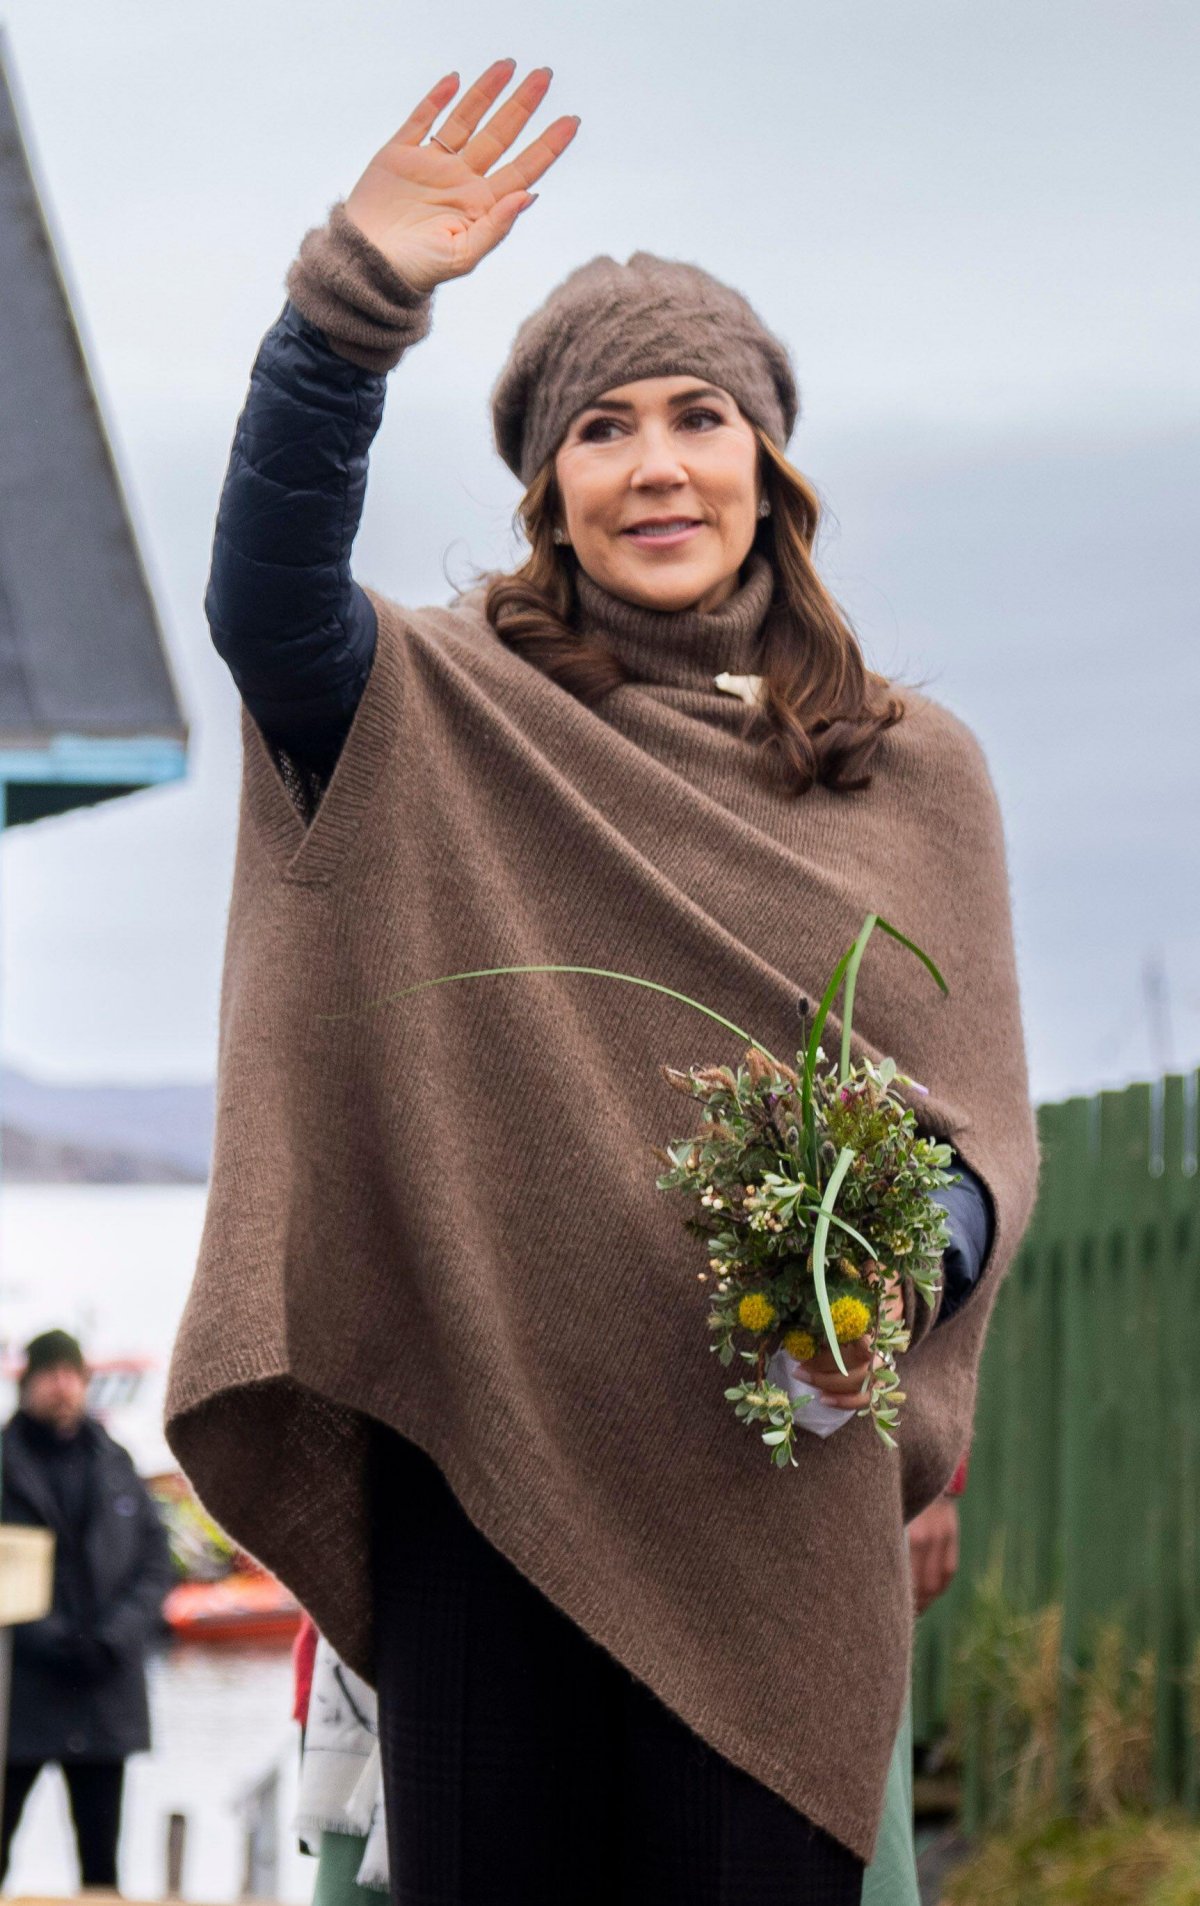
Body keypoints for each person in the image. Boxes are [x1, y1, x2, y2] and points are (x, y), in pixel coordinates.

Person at [166, 57, 1038, 1905]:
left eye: (701, 415)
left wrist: (882, 1270)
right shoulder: (444, 713)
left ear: (766, 458)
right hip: (492, 1493)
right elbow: (264, 607)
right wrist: (345, 312)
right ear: (548, 488)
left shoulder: (912, 769)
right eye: (602, 429)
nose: (656, 464)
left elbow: (976, 1129)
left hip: (772, 1502)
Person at [1, 1329, 173, 1891]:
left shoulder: (116, 1462)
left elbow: (154, 1563)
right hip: (16, 1692)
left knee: (102, 1869)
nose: (63, 1386)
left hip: (103, 1690)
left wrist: (113, 1637)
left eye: (73, 1375)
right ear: (27, 1384)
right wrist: (41, 1636)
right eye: (50, 1375)